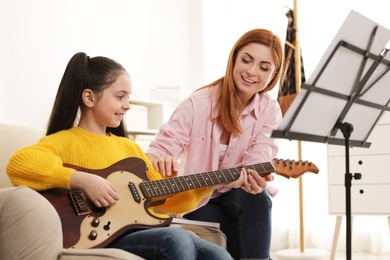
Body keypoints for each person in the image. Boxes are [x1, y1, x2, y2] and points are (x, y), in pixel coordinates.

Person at [6, 52, 233, 260]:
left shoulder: (129, 149)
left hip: (138, 229)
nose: (127, 106)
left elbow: (166, 205)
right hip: (101, 236)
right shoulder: (65, 140)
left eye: (128, 97)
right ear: (89, 98)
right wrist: (83, 180)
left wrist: (207, 184)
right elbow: (19, 164)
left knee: (217, 253)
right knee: (176, 239)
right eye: (120, 96)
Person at [146, 28, 284, 260]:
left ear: (273, 74)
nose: (251, 72)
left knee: (258, 198)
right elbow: (156, 152)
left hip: (238, 193)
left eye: (264, 67)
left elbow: (258, 159)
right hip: (198, 197)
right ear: (234, 59)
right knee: (230, 226)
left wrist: (255, 178)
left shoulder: (270, 110)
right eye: (246, 60)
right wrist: (162, 160)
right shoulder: (197, 104)